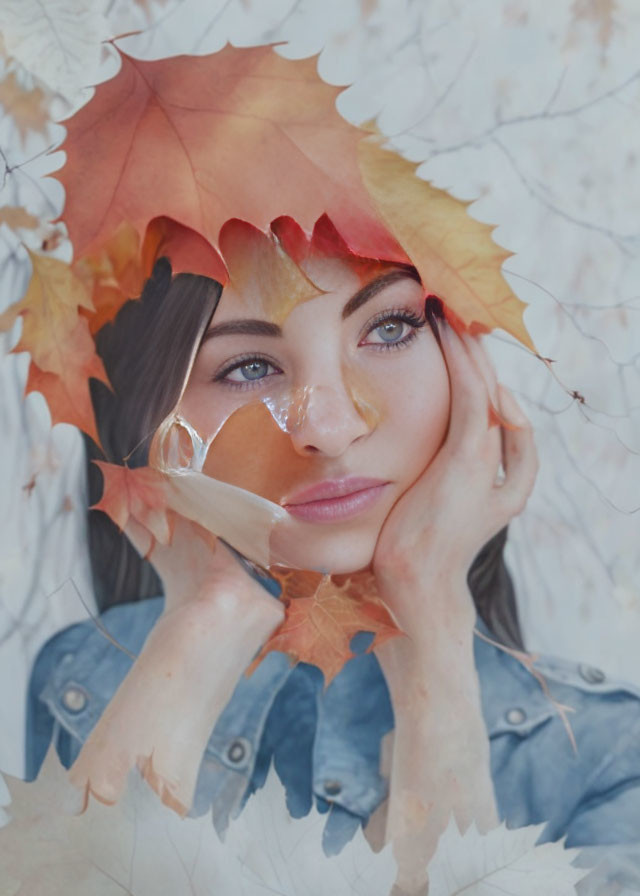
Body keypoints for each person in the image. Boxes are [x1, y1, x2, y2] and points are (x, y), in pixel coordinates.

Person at [22, 47, 640, 896]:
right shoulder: (83, 680)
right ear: (150, 421)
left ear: (470, 365)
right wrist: (205, 613)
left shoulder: (606, 759)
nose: (332, 426)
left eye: (388, 330)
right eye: (246, 368)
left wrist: (430, 623)